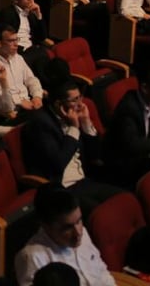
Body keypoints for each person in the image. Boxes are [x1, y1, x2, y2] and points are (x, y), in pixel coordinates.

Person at [20, 78, 118, 215]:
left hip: (84, 181)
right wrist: (73, 128)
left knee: (123, 199)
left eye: (80, 98)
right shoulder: (40, 124)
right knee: (103, 214)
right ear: (59, 104)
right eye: (74, 100)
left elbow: (96, 155)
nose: (80, 104)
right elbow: (59, 163)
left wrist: (85, 122)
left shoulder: (76, 116)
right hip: (64, 189)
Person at [14, 185, 115, 286]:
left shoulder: (83, 232)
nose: (78, 233)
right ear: (46, 226)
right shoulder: (32, 258)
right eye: (67, 228)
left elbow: (102, 272)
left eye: (79, 221)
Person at [104, 65, 150, 186]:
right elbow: (131, 144)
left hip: (141, 158)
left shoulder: (149, 101)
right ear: (145, 88)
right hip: (123, 168)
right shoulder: (129, 109)